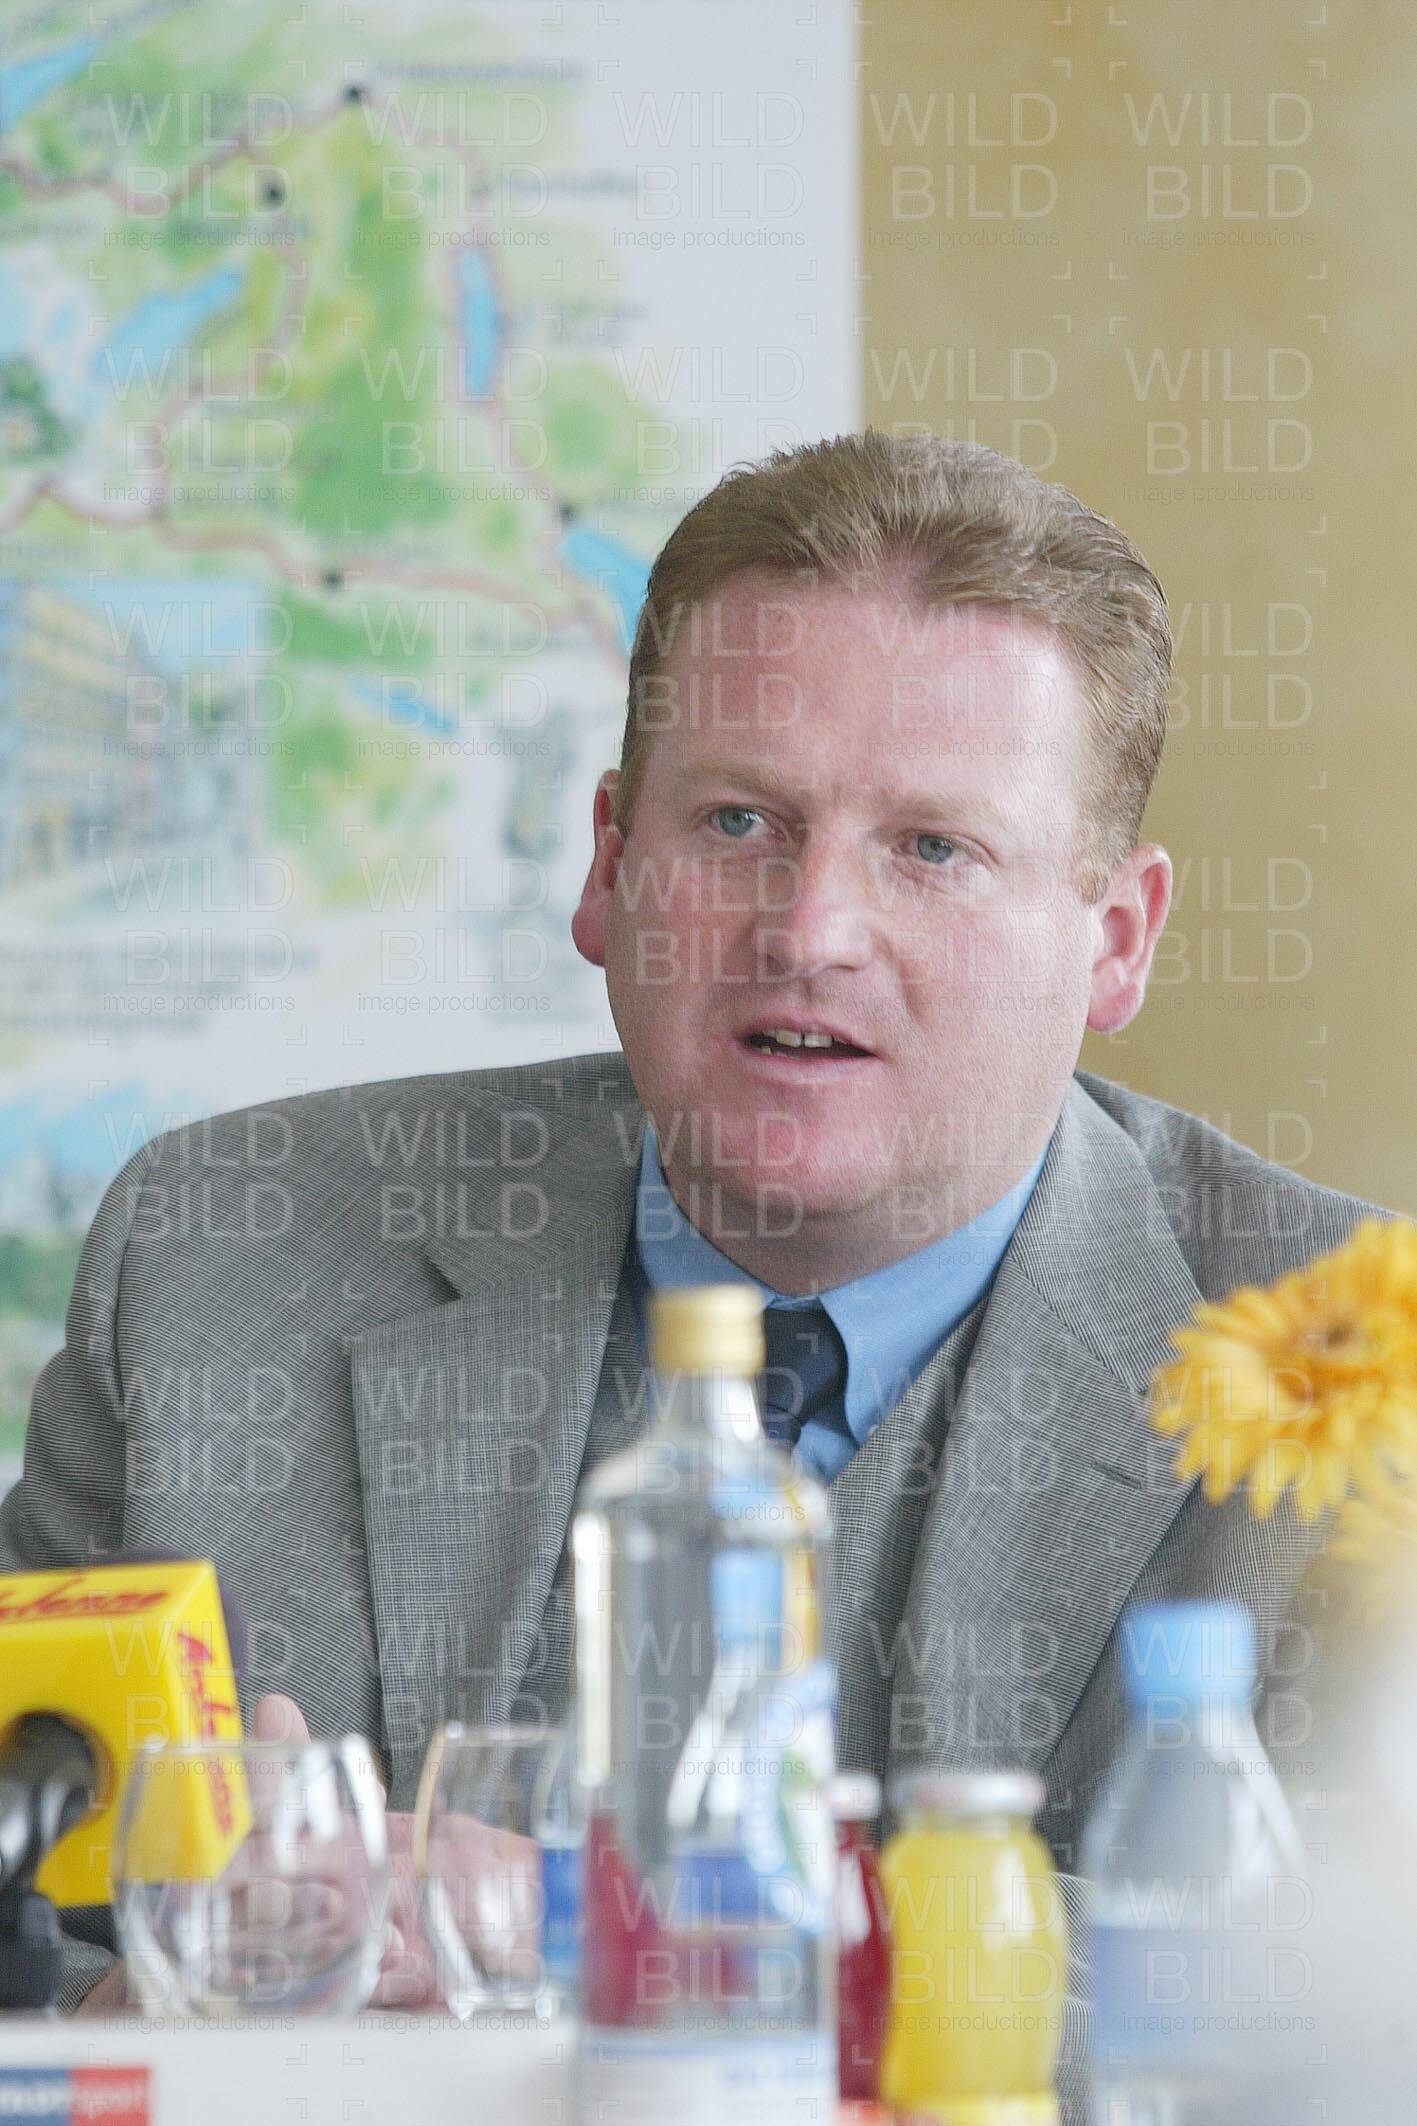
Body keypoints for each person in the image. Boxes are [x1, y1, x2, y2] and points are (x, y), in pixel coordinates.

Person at [0, 432, 1378, 2026]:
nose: (810, 929)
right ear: (608, 864)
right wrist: (150, 2011)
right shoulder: (217, 1254)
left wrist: (580, 1924)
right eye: (736, 823)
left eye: (932, 848)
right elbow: (28, 1945)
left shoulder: (1351, 1371)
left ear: (1115, 938)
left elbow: (1330, 1998)